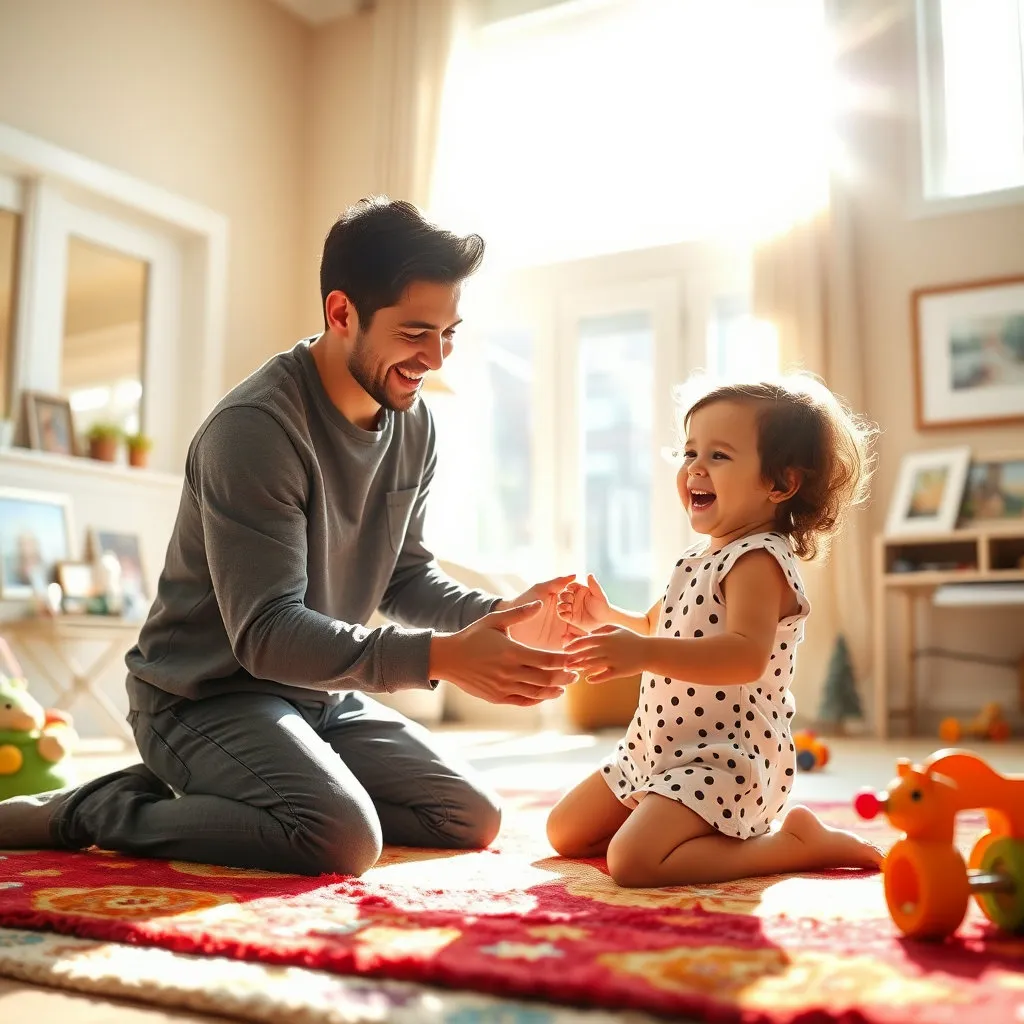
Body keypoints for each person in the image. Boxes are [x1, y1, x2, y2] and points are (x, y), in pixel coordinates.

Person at [0, 197, 577, 876]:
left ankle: (254, 788)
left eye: (449, 332)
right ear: (341, 313)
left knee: (468, 817)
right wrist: (440, 658)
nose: (436, 358)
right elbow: (267, 633)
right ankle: (94, 809)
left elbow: (403, 575)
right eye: (416, 331)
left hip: (317, 693)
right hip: (201, 697)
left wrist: (501, 618)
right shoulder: (256, 430)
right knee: (339, 838)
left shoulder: (413, 424)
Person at [547, 375, 883, 888]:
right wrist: (609, 617)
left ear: (780, 484)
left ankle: (791, 846)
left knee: (632, 862)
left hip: (725, 759)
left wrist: (640, 652)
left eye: (719, 456)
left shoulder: (758, 560)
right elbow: (660, 627)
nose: (695, 469)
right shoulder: (695, 558)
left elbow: (744, 655)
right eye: (689, 452)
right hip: (655, 749)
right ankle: (694, 830)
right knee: (564, 832)